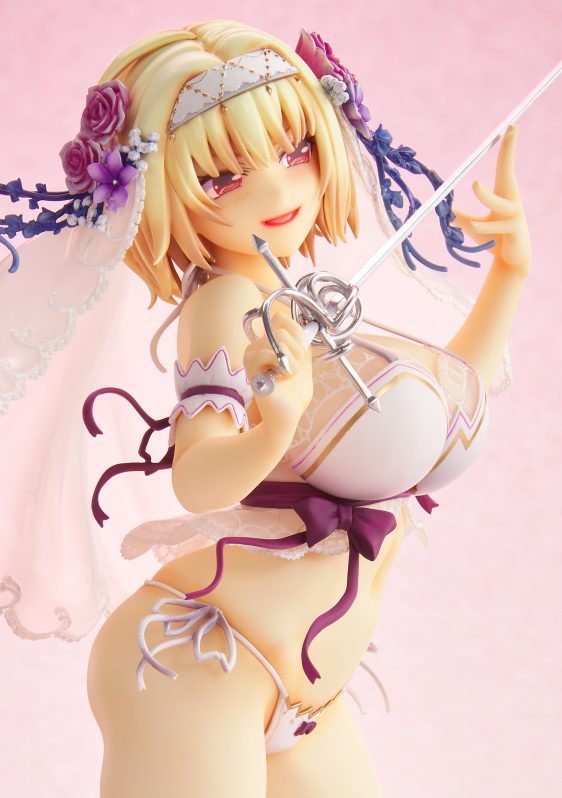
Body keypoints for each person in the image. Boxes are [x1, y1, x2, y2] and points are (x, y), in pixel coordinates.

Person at [0, 20, 530, 798]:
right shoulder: (226, 304)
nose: (278, 191)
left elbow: (447, 412)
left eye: (296, 150)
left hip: (305, 689)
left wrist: (509, 275)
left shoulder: (297, 301)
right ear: (165, 191)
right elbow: (198, 479)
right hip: (196, 660)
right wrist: (275, 425)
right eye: (222, 178)